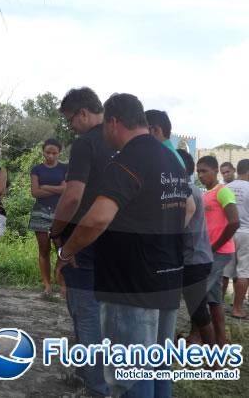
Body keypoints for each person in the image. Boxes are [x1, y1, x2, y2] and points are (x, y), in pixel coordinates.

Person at [56, 93, 194, 398]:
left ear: (115, 122)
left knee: (129, 374)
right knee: (157, 368)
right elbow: (189, 209)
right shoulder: (170, 157)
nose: (104, 134)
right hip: (168, 277)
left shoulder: (130, 158)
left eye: (106, 125)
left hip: (132, 284)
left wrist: (67, 251)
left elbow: (97, 219)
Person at [49, 87, 113, 397]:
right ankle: (98, 374)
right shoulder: (125, 142)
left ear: (83, 113)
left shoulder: (86, 143)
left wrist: (56, 233)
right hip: (122, 242)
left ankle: (95, 387)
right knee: (111, 317)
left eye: (71, 120)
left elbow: (72, 197)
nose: (71, 126)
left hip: (85, 241)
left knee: (85, 312)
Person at [195, 155, 239, 346]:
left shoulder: (222, 192)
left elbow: (234, 222)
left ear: (215, 171)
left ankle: (198, 338)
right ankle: (220, 343)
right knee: (214, 301)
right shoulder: (205, 194)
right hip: (209, 252)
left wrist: (215, 246)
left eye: (204, 171)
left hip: (219, 252)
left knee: (196, 296)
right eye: (198, 171)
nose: (201, 175)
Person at [176, 149, 216, 345]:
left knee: (199, 311)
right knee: (198, 308)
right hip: (198, 256)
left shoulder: (187, 191)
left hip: (194, 259)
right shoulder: (192, 189)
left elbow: (179, 225)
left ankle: (215, 362)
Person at [29, 138, 67, 298]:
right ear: (43, 152)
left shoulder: (66, 167)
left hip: (60, 212)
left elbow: (66, 189)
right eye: (48, 152)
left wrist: (45, 187)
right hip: (40, 212)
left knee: (61, 249)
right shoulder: (36, 169)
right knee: (43, 249)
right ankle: (47, 286)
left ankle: (63, 285)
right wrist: (57, 189)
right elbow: (35, 192)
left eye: (54, 153)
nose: (51, 155)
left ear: (59, 153)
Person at [222, 159, 249, 319]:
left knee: (224, 272)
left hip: (228, 232)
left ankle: (216, 305)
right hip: (246, 234)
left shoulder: (226, 188)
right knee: (244, 272)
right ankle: (237, 308)